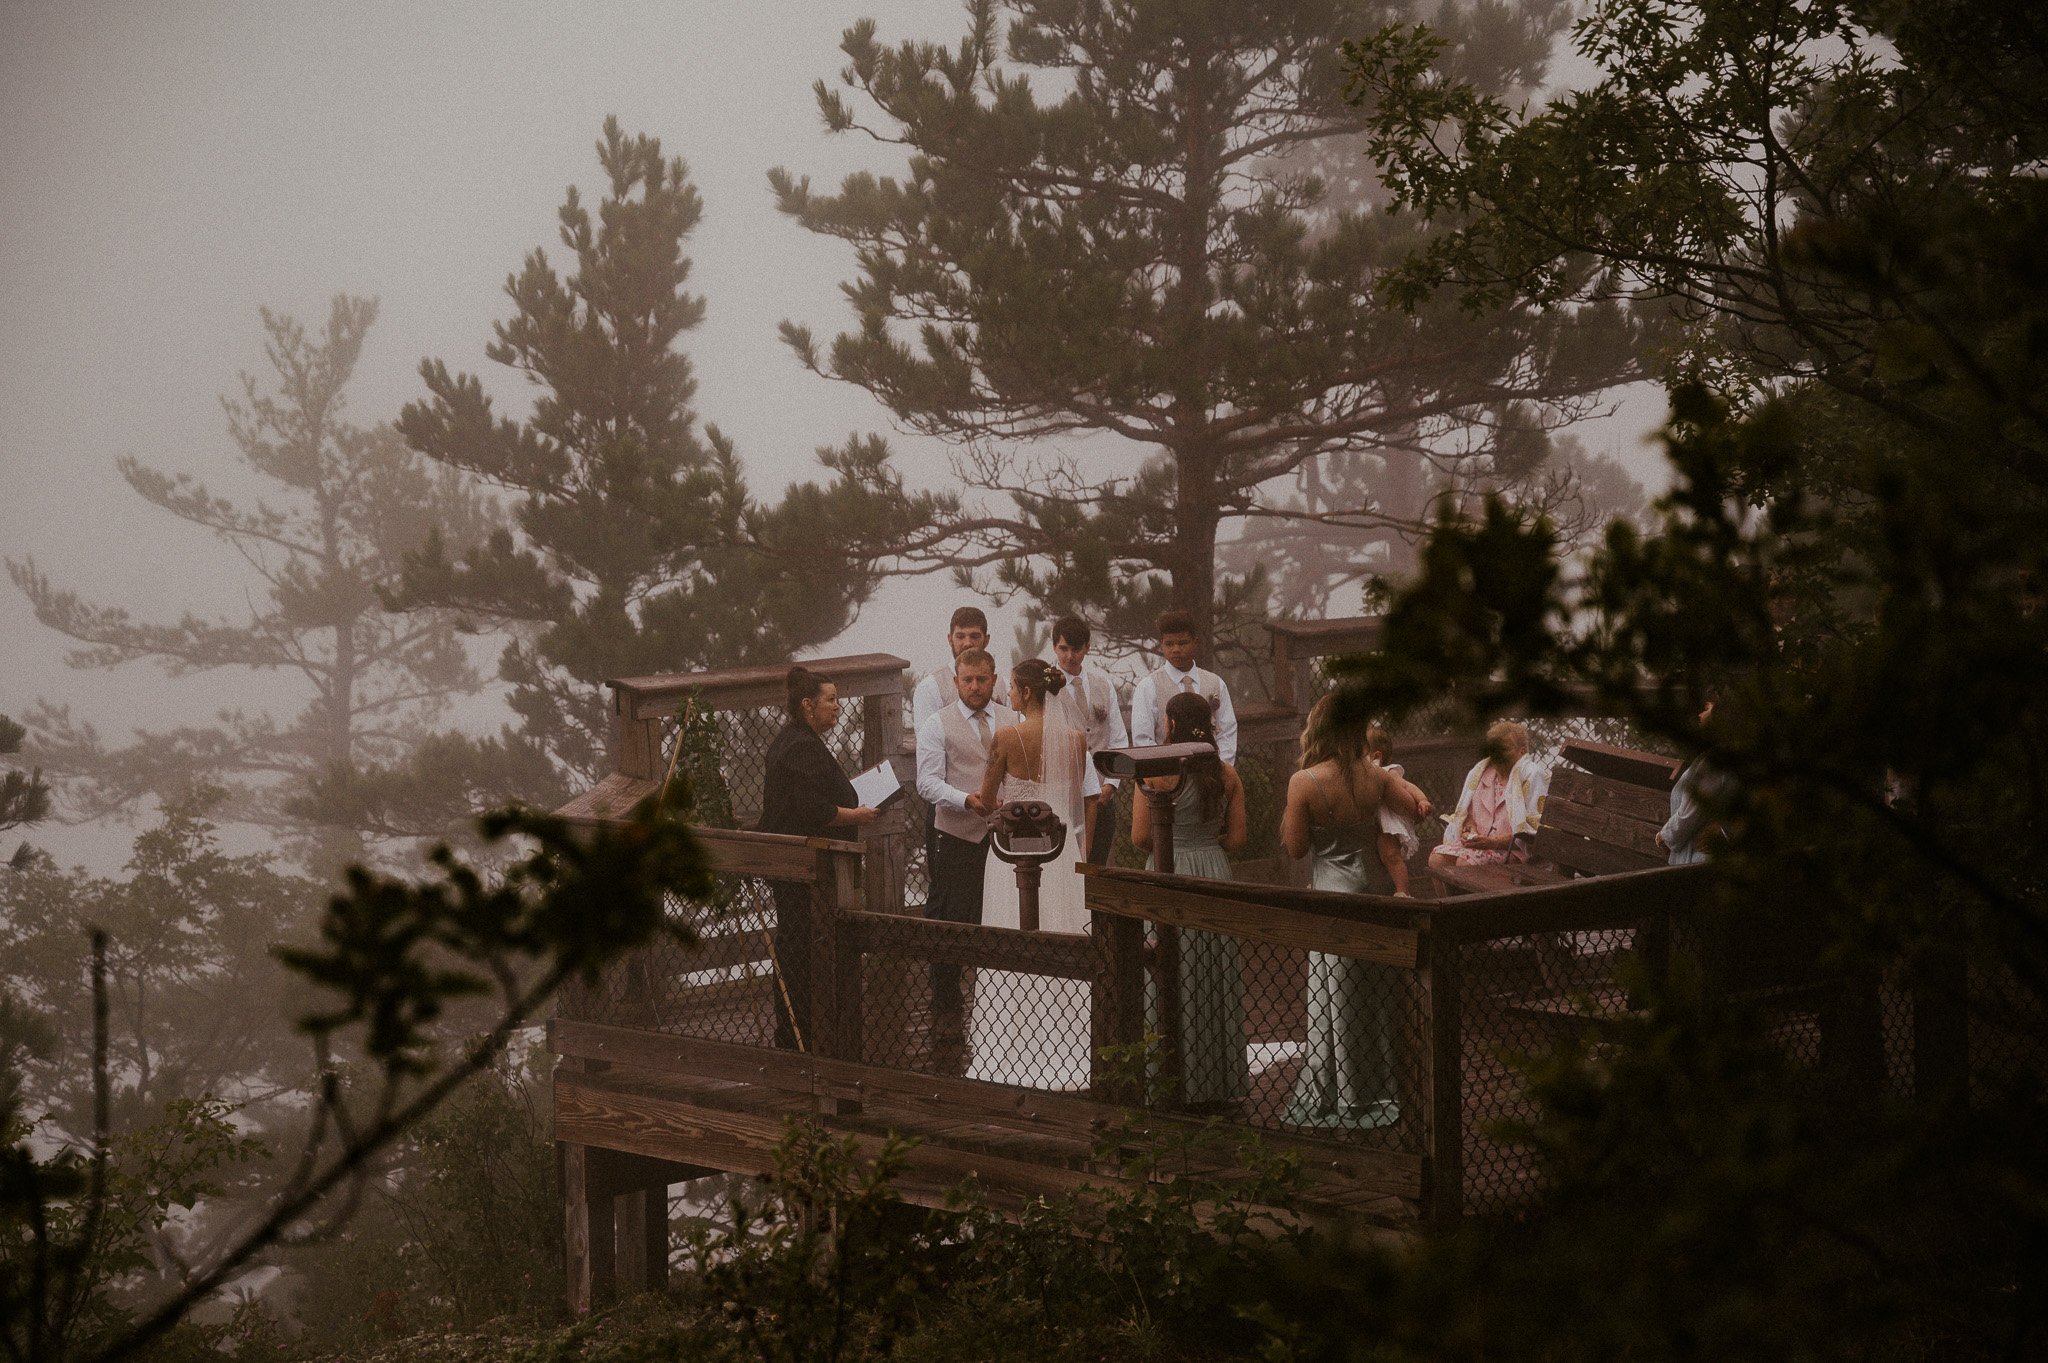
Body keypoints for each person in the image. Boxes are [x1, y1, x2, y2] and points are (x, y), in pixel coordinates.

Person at [1280, 693, 1423, 1130]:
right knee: (1376, 991)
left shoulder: (1304, 782)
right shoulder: (1376, 776)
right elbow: (1414, 808)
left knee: (1335, 994)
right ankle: (1382, 1086)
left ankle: (1343, 1093)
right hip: (1376, 888)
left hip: (1333, 890)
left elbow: (1296, 847)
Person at [967, 657, 1099, 1090]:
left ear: (1024, 693)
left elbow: (987, 800)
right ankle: (1072, 1038)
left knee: (1011, 936)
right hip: (1060, 852)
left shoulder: (1006, 736)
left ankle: (1012, 1042)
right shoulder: (1076, 739)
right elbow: (1070, 796)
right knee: (1064, 932)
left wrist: (1005, 802)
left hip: (1013, 852)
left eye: (1012, 688)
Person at [1132, 691, 1250, 1109]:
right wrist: (1206, 841)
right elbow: (1237, 840)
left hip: (1166, 871)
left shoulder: (1155, 773)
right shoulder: (1226, 774)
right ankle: (1216, 1081)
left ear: (1170, 724)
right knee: (1213, 972)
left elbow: (1140, 837)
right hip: (1213, 873)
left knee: (1165, 968)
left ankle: (1163, 1076)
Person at [757, 666, 880, 1049]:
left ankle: (806, 1033)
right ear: (808, 705)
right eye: (831, 700)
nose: (838, 707)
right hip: (802, 867)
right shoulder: (800, 747)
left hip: (802, 867)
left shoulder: (799, 741)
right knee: (799, 949)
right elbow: (815, 810)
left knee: (800, 946)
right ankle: (798, 1036)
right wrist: (858, 815)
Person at [914, 647, 1015, 1047]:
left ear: (994, 679)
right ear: (956, 682)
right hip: (956, 837)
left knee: (1002, 918)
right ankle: (946, 1009)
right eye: (967, 680)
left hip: (1006, 839)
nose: (975, 687)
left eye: (982, 679)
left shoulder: (1014, 719)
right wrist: (966, 799)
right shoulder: (937, 725)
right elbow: (926, 783)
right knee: (950, 921)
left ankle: (1000, 1009)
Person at [1051, 614, 1130, 862]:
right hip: (1062, 797)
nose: (1069, 656)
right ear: (1054, 647)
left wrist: (1110, 785)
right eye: (1063, 649)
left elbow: (1118, 739)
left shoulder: (1103, 685)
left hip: (1102, 797)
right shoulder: (1045, 687)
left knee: (1097, 865)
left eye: (1076, 649)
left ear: (1087, 648)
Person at [1429, 720, 1547, 875]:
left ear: (1522, 751)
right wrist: (1469, 830)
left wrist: (1492, 842)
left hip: (1515, 851)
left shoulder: (1532, 775)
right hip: (1481, 846)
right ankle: (1451, 900)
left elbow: (1533, 832)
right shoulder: (1481, 774)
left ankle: (1472, 900)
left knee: (1465, 863)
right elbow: (1468, 816)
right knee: (1436, 859)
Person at [1130, 609, 1238, 763]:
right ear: (1162, 644)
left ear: (1195, 641)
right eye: (1169, 644)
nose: (1176, 649)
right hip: (1168, 776)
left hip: (1211, 775)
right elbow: (1143, 740)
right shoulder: (1148, 687)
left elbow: (1226, 732)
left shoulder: (1216, 683)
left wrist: (1220, 769)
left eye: (1182, 643)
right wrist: (1170, 775)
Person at [1657, 698, 1728, 864]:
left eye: (1707, 709)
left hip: (1698, 861)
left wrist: (1665, 836)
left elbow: (1690, 812)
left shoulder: (1715, 760)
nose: (1700, 715)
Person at [1365, 724, 1433, 896]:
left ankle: (1403, 892)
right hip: (1373, 823)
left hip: (1387, 822)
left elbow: (1408, 786)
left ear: (1376, 756)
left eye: (1360, 752)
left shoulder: (1388, 772)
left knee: (1390, 855)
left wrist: (1422, 799)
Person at [911, 606, 991, 732]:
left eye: (974, 636)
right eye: (960, 636)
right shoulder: (930, 688)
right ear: (950, 639)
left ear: (986, 640)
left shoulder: (1005, 687)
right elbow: (927, 744)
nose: (967, 643)